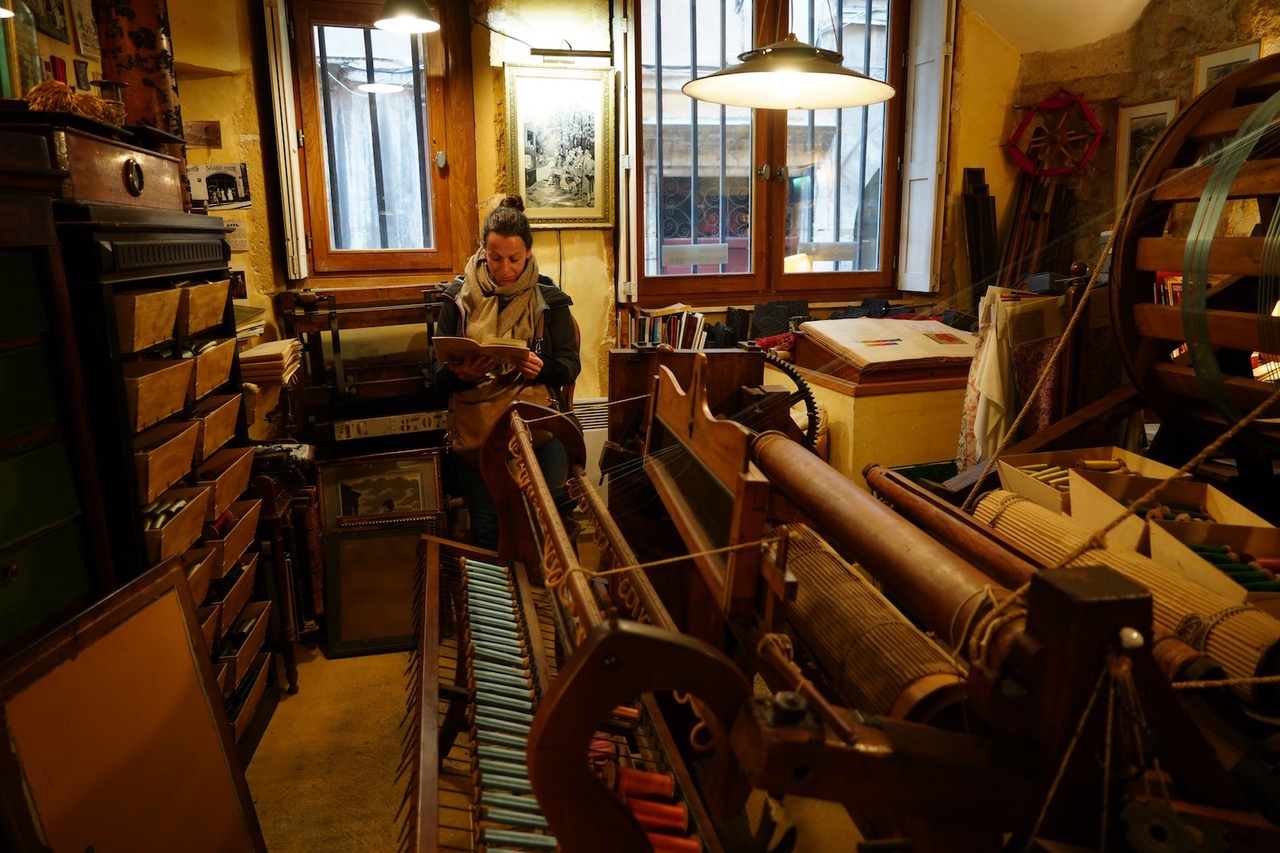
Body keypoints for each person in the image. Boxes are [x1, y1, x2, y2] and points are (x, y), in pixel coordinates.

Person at [434, 195, 581, 550]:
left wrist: (541, 368)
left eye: (514, 259)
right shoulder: (458, 298)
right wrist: (461, 375)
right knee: (487, 528)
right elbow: (436, 379)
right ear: (483, 250)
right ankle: (500, 605)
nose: (504, 268)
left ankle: (547, 598)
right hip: (477, 428)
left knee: (546, 523)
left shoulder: (549, 299)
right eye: (495, 258)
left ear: (528, 252)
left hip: (538, 424)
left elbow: (570, 365)